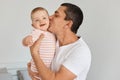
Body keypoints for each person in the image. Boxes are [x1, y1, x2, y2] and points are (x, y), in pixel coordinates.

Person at [28, 3, 91, 80]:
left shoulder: (81, 51)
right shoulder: (52, 39)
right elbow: (34, 64)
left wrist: (34, 54)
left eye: (56, 15)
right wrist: (30, 70)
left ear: (68, 24)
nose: (50, 17)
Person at [22, 7, 56, 80]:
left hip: (47, 68)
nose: (41, 21)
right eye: (37, 20)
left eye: (44, 18)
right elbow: (27, 40)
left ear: (49, 20)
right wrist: (26, 40)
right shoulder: (37, 32)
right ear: (33, 25)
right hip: (37, 68)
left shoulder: (52, 33)